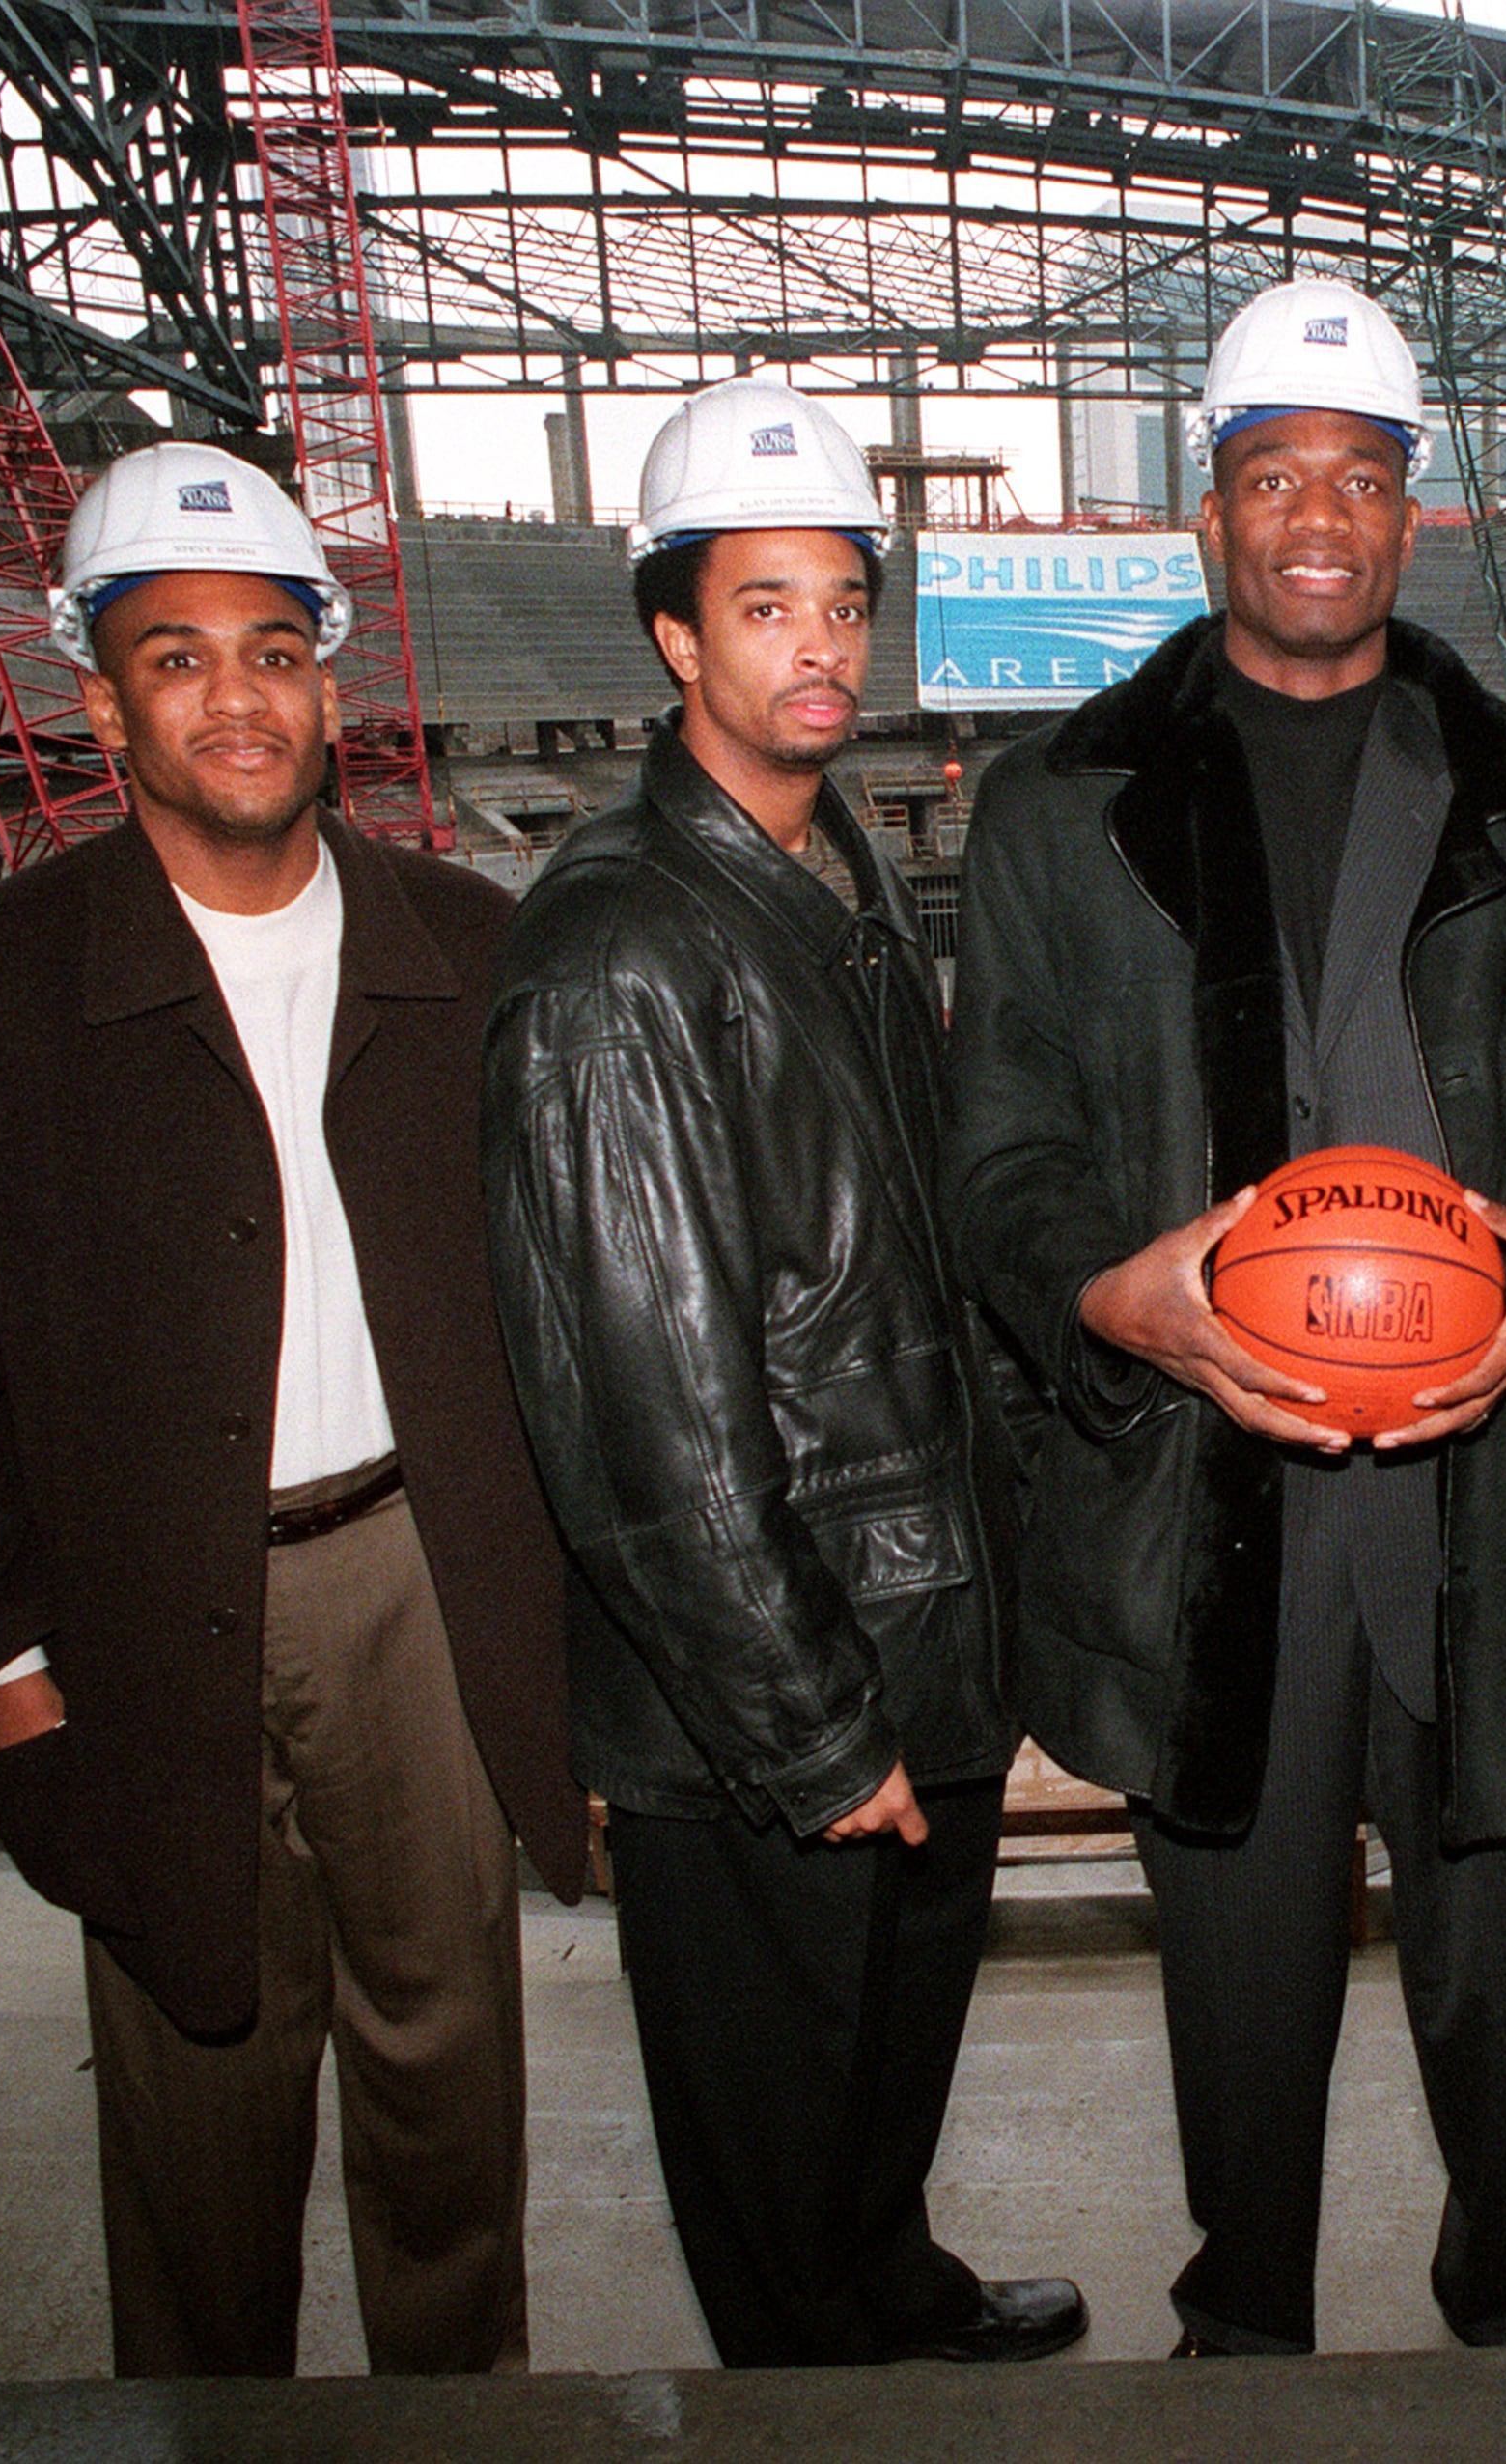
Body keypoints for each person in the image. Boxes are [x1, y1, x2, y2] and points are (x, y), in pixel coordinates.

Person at [945, 276, 1506, 2357]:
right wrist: (1109, 1295)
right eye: (1274, 475)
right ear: (1207, 514)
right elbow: (993, 1148)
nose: (1316, 517)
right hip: (1208, 1515)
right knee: (1241, 2007)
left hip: (1480, 1508)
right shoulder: (1054, 813)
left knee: (1493, 1996)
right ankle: (1244, 2333)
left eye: (1359, 479)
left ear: (1412, 517)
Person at [0, 442, 584, 2377]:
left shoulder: (471, 953)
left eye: (271, 649)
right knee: (194, 2111)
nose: (236, 697)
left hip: (412, 1582)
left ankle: (453, 2423)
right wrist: (2, 1663)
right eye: (178, 657)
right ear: (103, 699)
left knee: (450, 2103)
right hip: (139, 1609)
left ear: (331, 679)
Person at [478, 378, 1082, 2369]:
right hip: (779, 1701)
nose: (820, 648)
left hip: (912, 1634)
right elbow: (648, 1431)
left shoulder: (834, 879)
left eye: (843, 601)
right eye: (764, 607)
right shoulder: (618, 957)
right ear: (672, 634)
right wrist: (816, 1728)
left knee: (875, 2095)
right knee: (774, 2152)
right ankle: (824, 2384)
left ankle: (895, 2289)